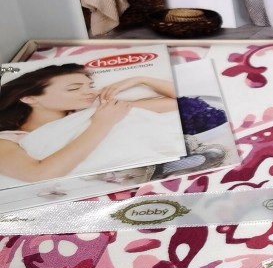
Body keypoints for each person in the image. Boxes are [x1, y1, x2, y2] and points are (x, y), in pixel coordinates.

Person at [0, 63, 177, 184]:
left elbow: (176, 102)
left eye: (90, 86)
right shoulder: (8, 140)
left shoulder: (96, 110)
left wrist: (140, 79)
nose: (90, 92)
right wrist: (100, 125)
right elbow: (39, 175)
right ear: (29, 98)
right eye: (74, 88)